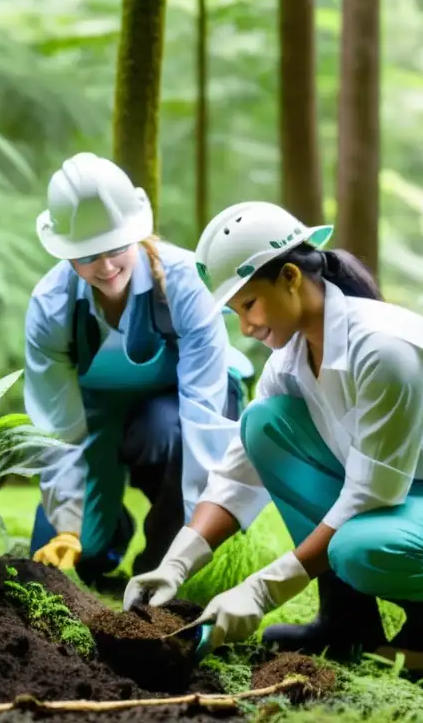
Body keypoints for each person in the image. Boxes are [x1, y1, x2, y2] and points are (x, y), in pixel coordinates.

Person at [123, 201, 423, 675]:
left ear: (290, 277)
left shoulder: (387, 347)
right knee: (263, 425)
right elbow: (239, 472)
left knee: (358, 548)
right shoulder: (289, 360)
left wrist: (264, 589)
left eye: (248, 304)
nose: (245, 327)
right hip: (412, 496)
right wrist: (176, 564)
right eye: (235, 312)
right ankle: (346, 622)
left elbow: (371, 493)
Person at [25, 152, 255, 584]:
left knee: (165, 428)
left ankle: (162, 554)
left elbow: (202, 416)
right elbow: (57, 427)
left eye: (115, 249)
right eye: (88, 255)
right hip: (101, 417)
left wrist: (195, 539)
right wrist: (69, 523)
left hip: (180, 414)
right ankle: (109, 533)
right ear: (66, 254)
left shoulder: (186, 283)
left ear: (135, 234)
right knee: (76, 553)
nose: (106, 267)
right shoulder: (50, 306)